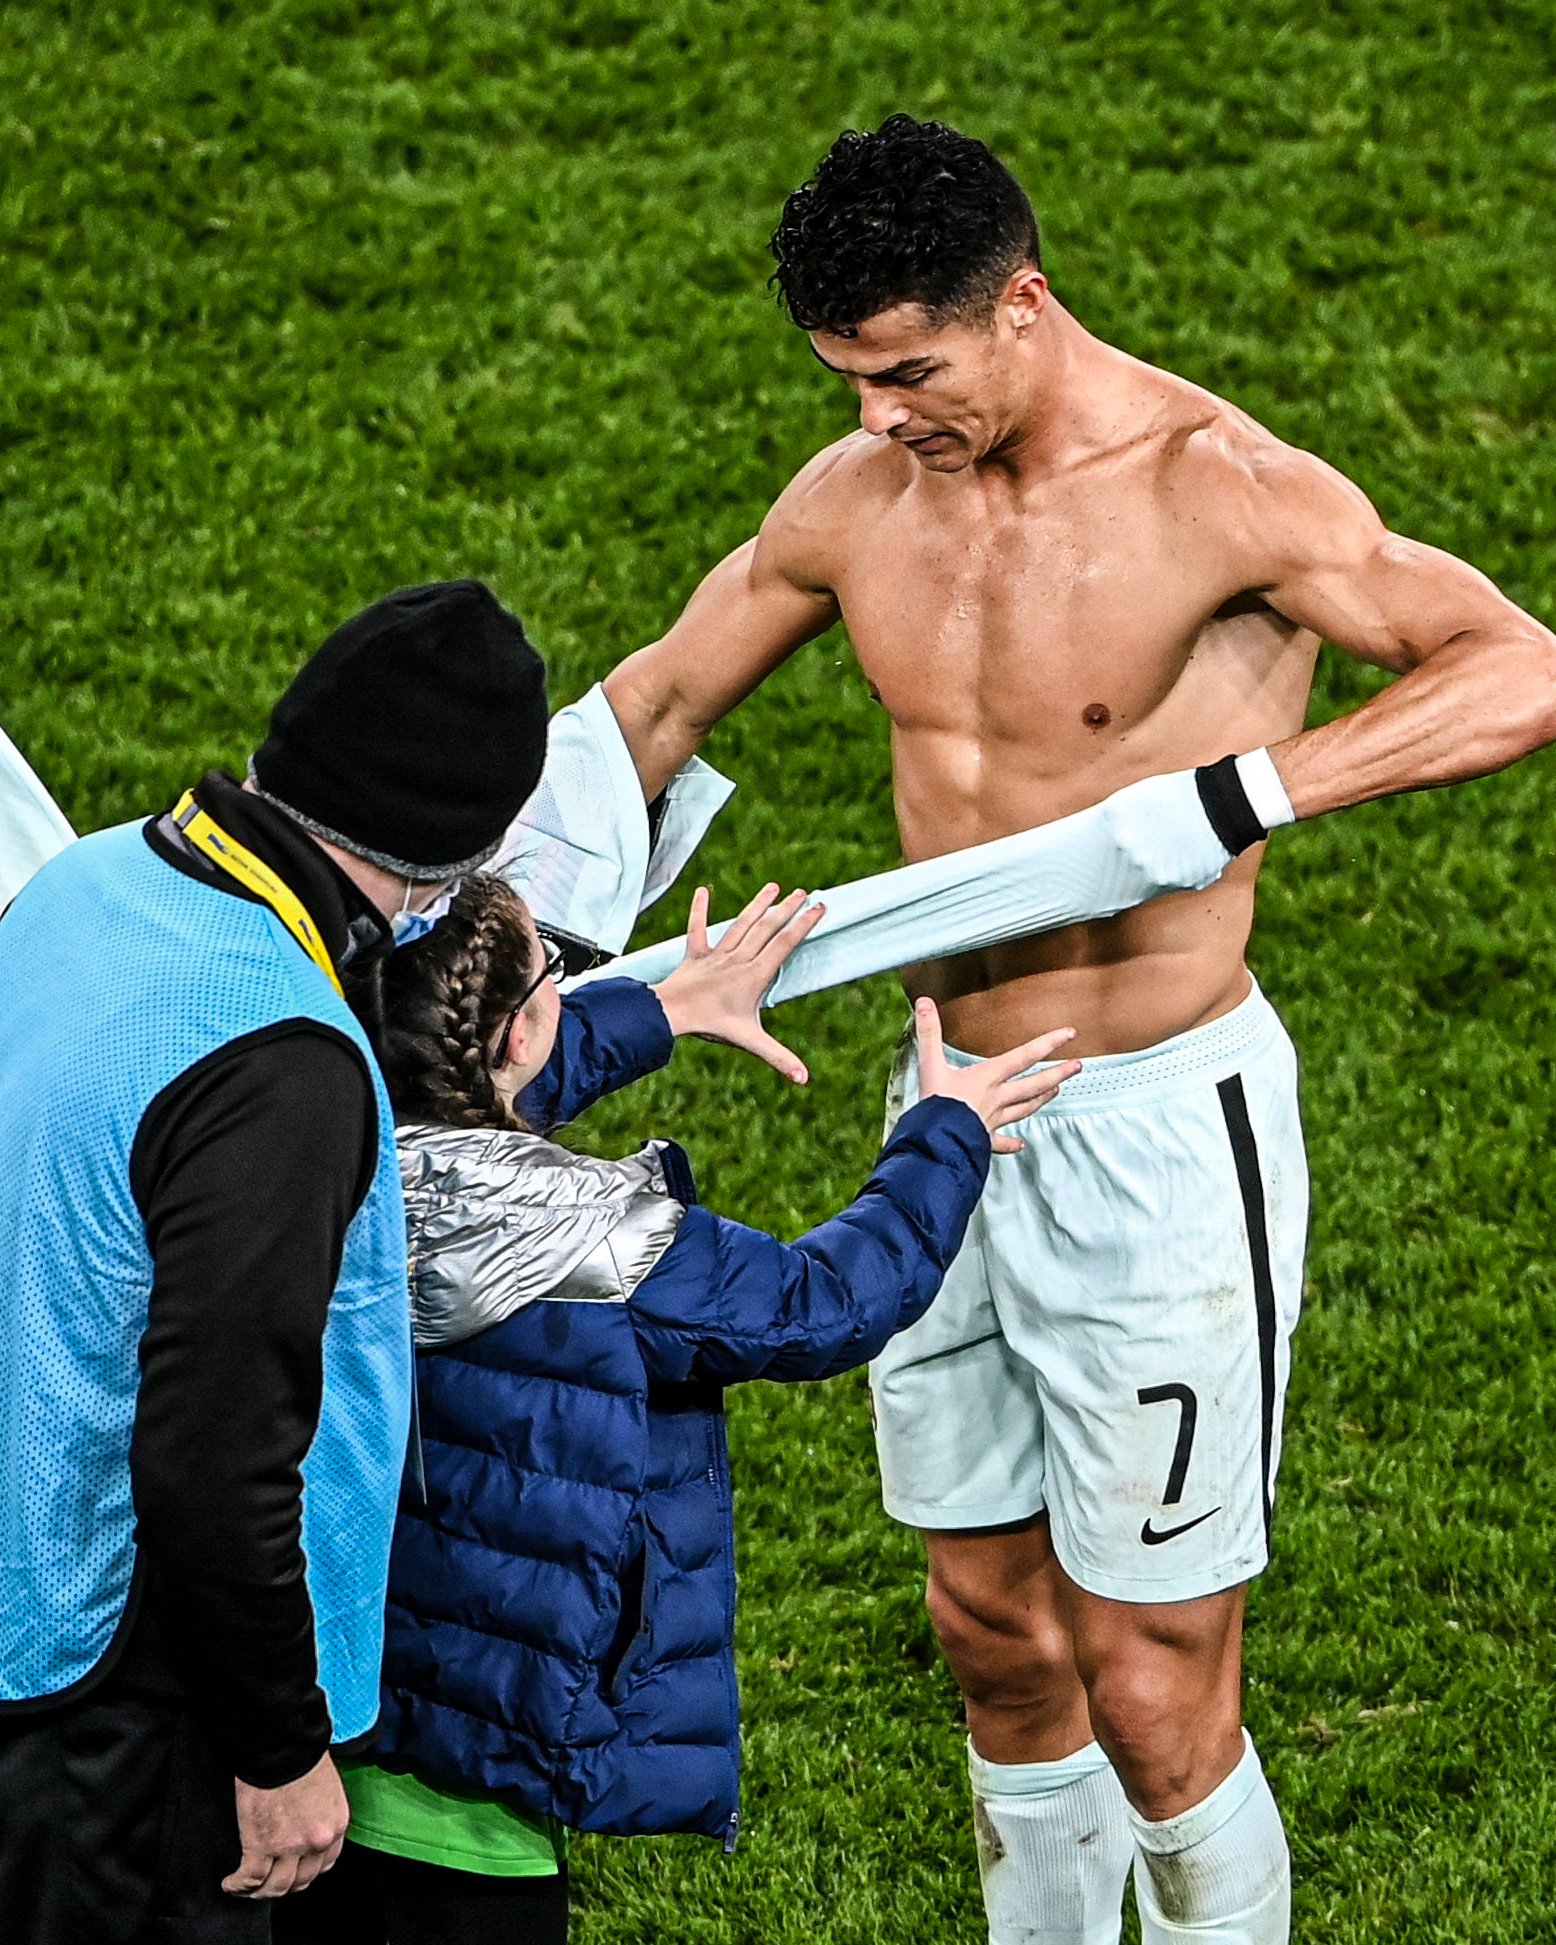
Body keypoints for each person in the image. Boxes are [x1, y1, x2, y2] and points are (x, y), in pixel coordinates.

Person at [599, 116, 1556, 1944]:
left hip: (1154, 1130)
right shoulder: (856, 502)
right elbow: (651, 703)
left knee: (1151, 1675)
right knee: (988, 1631)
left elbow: (1517, 665)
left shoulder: (1215, 487)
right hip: (948, 1113)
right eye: (849, 380)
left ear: (1018, 305)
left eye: (907, 372)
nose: (880, 416)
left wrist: (1239, 796)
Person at [271, 872, 1079, 1945]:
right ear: (515, 1032)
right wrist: (943, 1133)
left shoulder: (307, 1151)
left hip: (310, 1749)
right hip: (482, 1813)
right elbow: (817, 1306)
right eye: (556, 973)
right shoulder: (596, 1241)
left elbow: (461, 1087)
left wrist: (664, 1007)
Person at [0, 579, 548, 1944]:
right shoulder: (283, 1068)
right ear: (461, 854)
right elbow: (212, 1452)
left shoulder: (90, 879)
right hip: (116, 1692)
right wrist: (280, 1750)